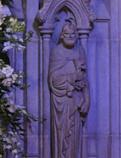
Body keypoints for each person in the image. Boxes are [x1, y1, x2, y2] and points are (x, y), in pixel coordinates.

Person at [48, 17, 89, 157]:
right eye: (67, 34)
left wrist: (87, 100)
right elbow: (54, 79)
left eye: (73, 34)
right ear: (61, 35)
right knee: (62, 135)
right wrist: (72, 75)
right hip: (62, 101)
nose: (71, 37)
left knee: (75, 139)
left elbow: (84, 78)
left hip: (76, 101)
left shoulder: (80, 51)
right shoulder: (57, 52)